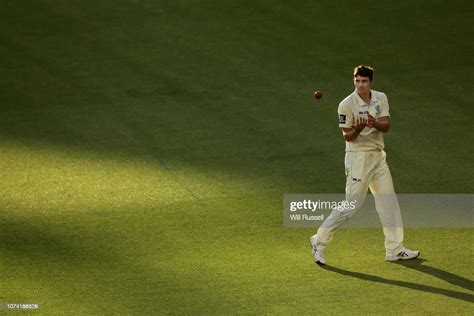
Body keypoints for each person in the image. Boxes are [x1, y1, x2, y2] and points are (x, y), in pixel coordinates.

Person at [310, 65, 419, 265]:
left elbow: (386, 126)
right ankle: (319, 241)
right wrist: (359, 127)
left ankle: (394, 249)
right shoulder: (346, 104)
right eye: (357, 81)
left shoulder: (381, 98)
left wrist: (373, 123)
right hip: (358, 158)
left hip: (378, 157)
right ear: (354, 80)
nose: (360, 85)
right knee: (352, 205)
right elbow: (348, 136)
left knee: (389, 202)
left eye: (364, 81)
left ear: (371, 82)